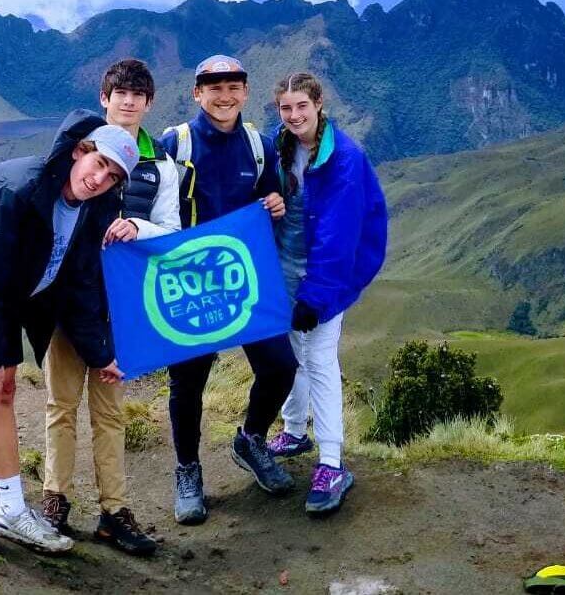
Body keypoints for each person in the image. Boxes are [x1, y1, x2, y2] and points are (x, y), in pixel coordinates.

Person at [0, 112, 139, 559]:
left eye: (112, 177)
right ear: (79, 151)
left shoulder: (88, 209)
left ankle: (10, 510)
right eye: (98, 164)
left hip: (6, 294)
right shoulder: (15, 191)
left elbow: (79, 284)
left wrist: (99, 354)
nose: (99, 179)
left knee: (6, 392)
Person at [40, 59, 179, 557]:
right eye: (120, 92)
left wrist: (138, 229)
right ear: (105, 97)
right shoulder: (81, 150)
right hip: (67, 297)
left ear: (149, 103)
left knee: (110, 410)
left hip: (120, 304)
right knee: (60, 404)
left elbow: (173, 231)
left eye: (138, 95)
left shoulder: (161, 164)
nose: (128, 101)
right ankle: (54, 500)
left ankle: (114, 512)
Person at [159, 54, 294, 525]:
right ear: (197, 93)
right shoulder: (175, 143)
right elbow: (147, 206)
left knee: (280, 366)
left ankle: (250, 439)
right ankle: (188, 470)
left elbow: (272, 197)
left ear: (245, 91)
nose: (224, 95)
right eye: (214, 87)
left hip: (244, 278)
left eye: (233, 86)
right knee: (188, 384)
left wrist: (274, 202)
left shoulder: (259, 145)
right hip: (192, 283)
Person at [264, 72, 387, 514]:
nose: (294, 115)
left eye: (302, 106)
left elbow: (338, 237)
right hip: (283, 272)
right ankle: (295, 429)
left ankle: (333, 461)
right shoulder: (278, 147)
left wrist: (315, 298)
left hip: (323, 280)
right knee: (290, 354)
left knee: (318, 358)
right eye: (286, 108)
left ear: (319, 104)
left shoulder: (345, 159)